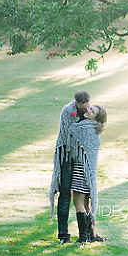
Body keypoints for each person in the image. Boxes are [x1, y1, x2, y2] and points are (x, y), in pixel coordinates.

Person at [49, 91, 90, 244]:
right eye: (83, 107)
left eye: (87, 107)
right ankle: (63, 235)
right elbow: (69, 134)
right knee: (65, 193)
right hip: (66, 153)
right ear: (76, 103)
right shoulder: (68, 110)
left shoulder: (89, 109)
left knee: (84, 193)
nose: (86, 110)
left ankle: (87, 235)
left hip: (81, 155)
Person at [69, 104, 108, 243]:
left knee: (78, 203)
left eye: (92, 111)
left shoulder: (84, 127)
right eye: (90, 107)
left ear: (95, 118)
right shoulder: (94, 130)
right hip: (88, 172)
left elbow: (70, 129)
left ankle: (83, 237)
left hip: (81, 169)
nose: (88, 110)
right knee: (85, 204)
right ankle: (91, 234)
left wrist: (74, 114)